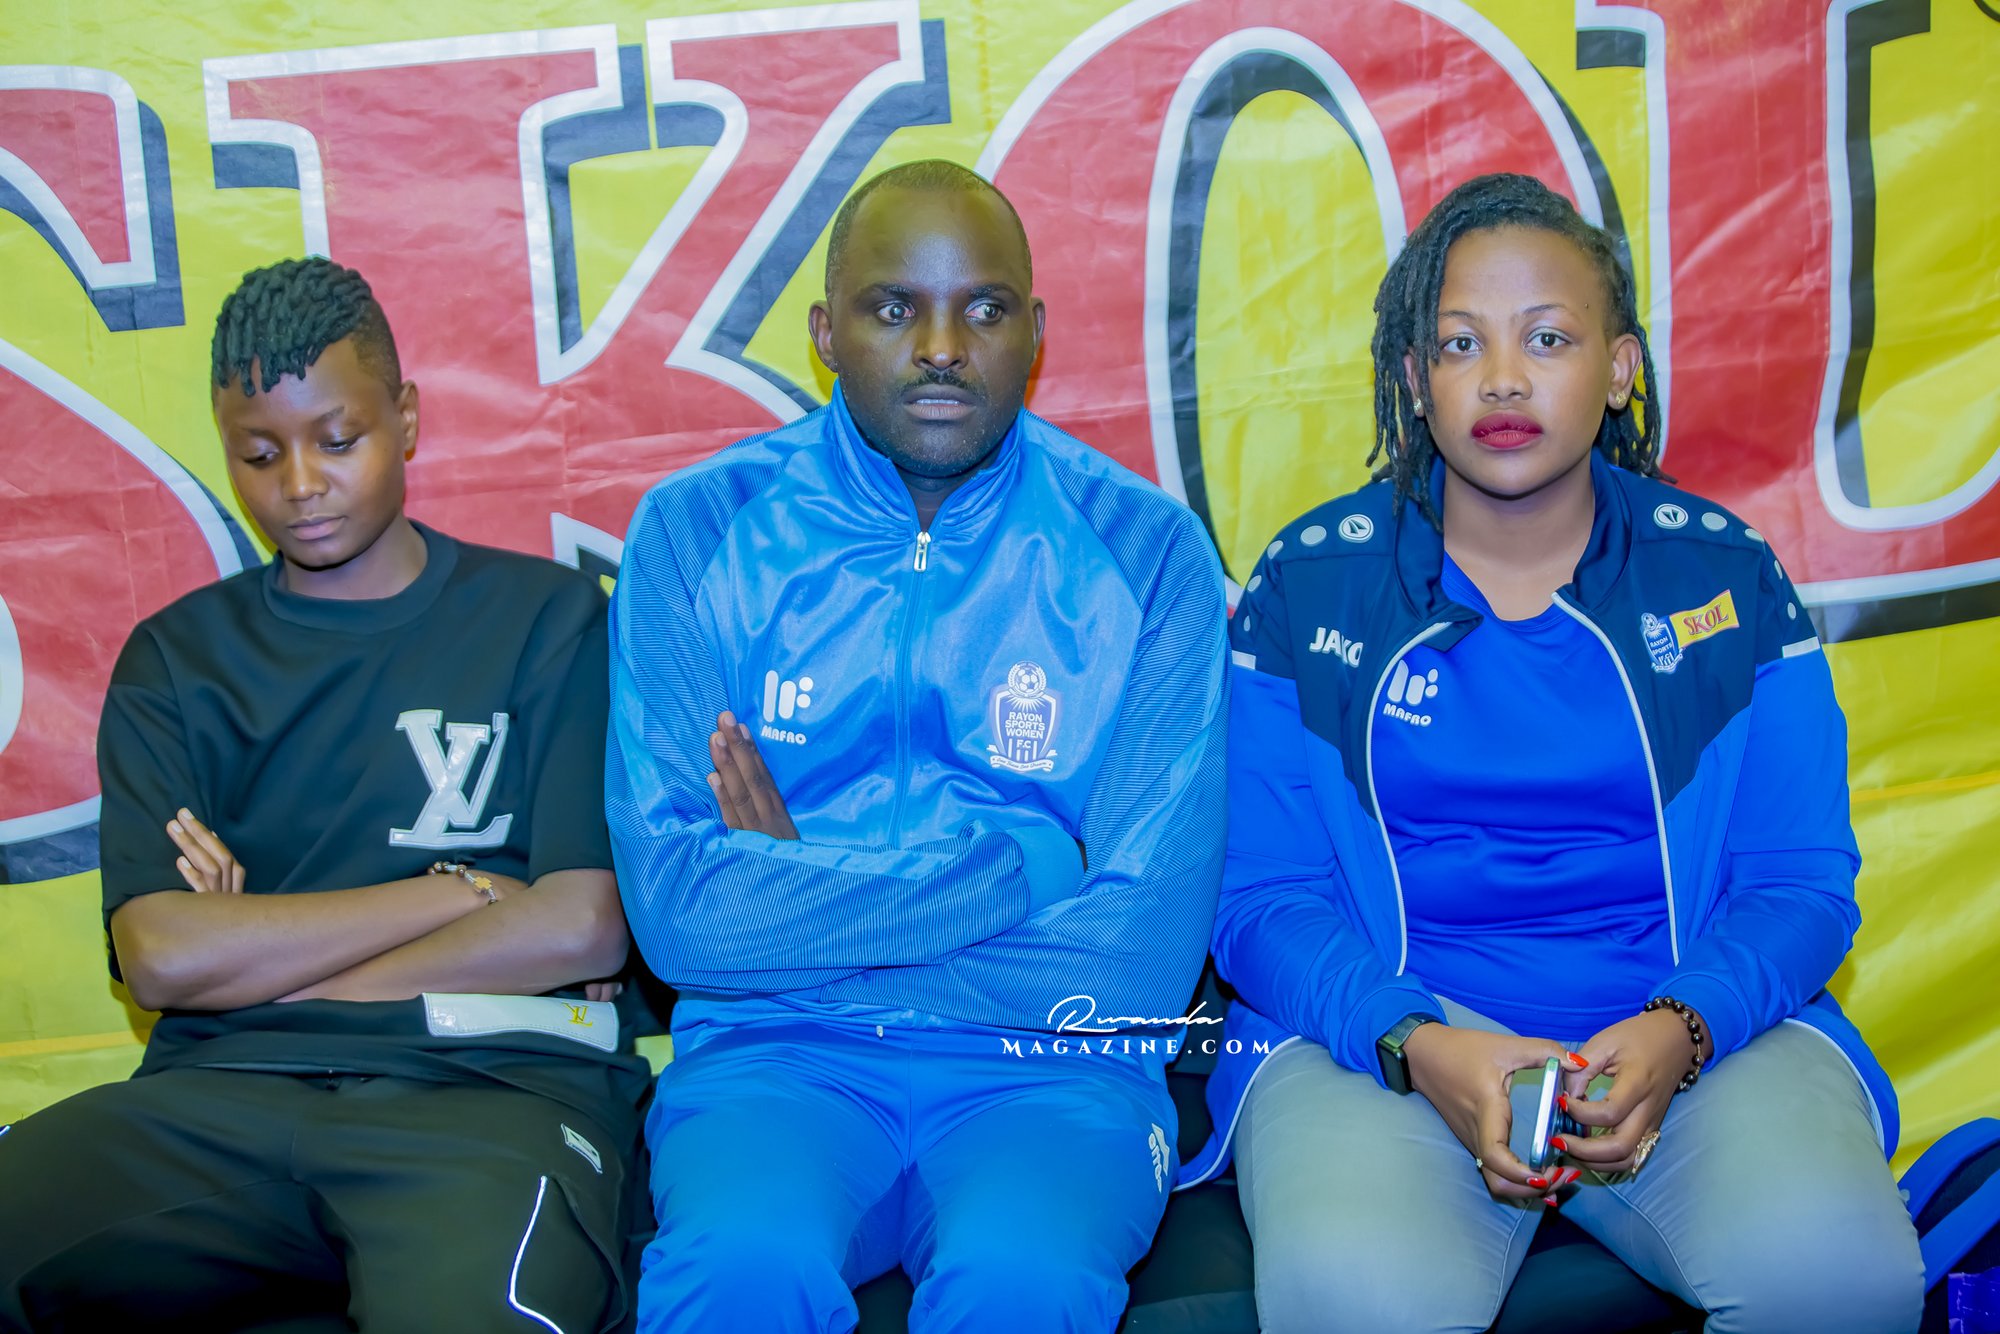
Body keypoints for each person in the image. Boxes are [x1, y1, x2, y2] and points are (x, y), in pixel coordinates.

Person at [1181, 173, 1924, 1332]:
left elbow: (1800, 883)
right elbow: (1260, 898)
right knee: (1354, 1299)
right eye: (1458, 343)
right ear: (1412, 378)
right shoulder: (1309, 582)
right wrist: (1418, 1042)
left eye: (1546, 338)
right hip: (1388, 1042)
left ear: (1619, 368)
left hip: (1683, 1036)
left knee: (1840, 1279)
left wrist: (1679, 1029)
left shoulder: (1724, 575)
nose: (1501, 377)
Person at [606, 159, 1227, 1333]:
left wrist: (794, 890)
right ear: (823, 333)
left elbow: (1138, 964)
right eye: (893, 308)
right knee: (737, 1273)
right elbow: (682, 918)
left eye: (981, 309)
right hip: (777, 1058)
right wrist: (1023, 867)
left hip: (1049, 1072)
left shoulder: (1147, 554)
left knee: (1019, 1286)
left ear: (1032, 331)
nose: (941, 347)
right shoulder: (694, 530)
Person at [0, 258, 650, 1333]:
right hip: (222, 1091)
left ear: (406, 418)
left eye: (336, 440)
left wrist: (262, 958)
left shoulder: (550, 620)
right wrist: (456, 891)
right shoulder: (178, 660)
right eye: (259, 454)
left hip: (490, 1088)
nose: (299, 483)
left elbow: (581, 925)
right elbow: (162, 956)